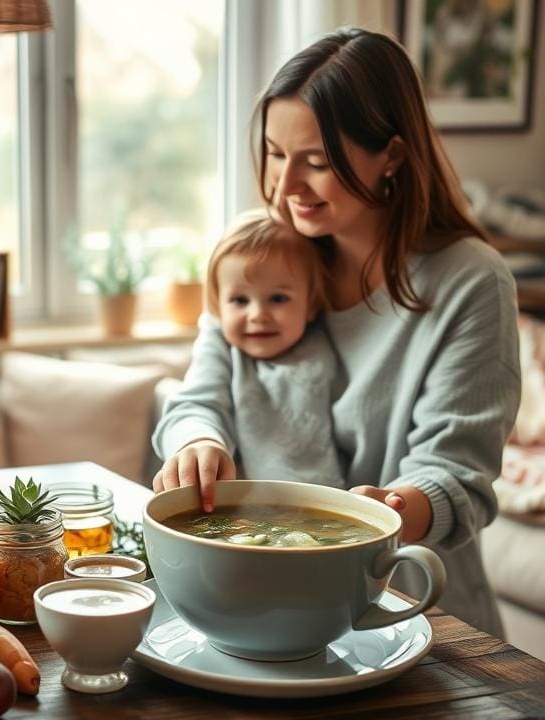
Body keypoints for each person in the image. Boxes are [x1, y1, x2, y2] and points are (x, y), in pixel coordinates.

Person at [152, 27, 520, 636]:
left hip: (421, 616)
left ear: (394, 157)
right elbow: (199, 395)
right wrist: (196, 442)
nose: (285, 187)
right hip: (267, 609)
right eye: (275, 153)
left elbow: (456, 477)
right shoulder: (265, 259)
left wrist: (382, 515)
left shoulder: (471, 283)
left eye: (317, 162)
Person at [200, 209, 343, 486]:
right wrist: (200, 439)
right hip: (240, 509)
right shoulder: (222, 348)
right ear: (219, 304)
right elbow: (198, 402)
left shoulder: (328, 347)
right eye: (240, 300)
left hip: (324, 503)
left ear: (311, 304)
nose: (257, 315)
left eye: (278, 298)